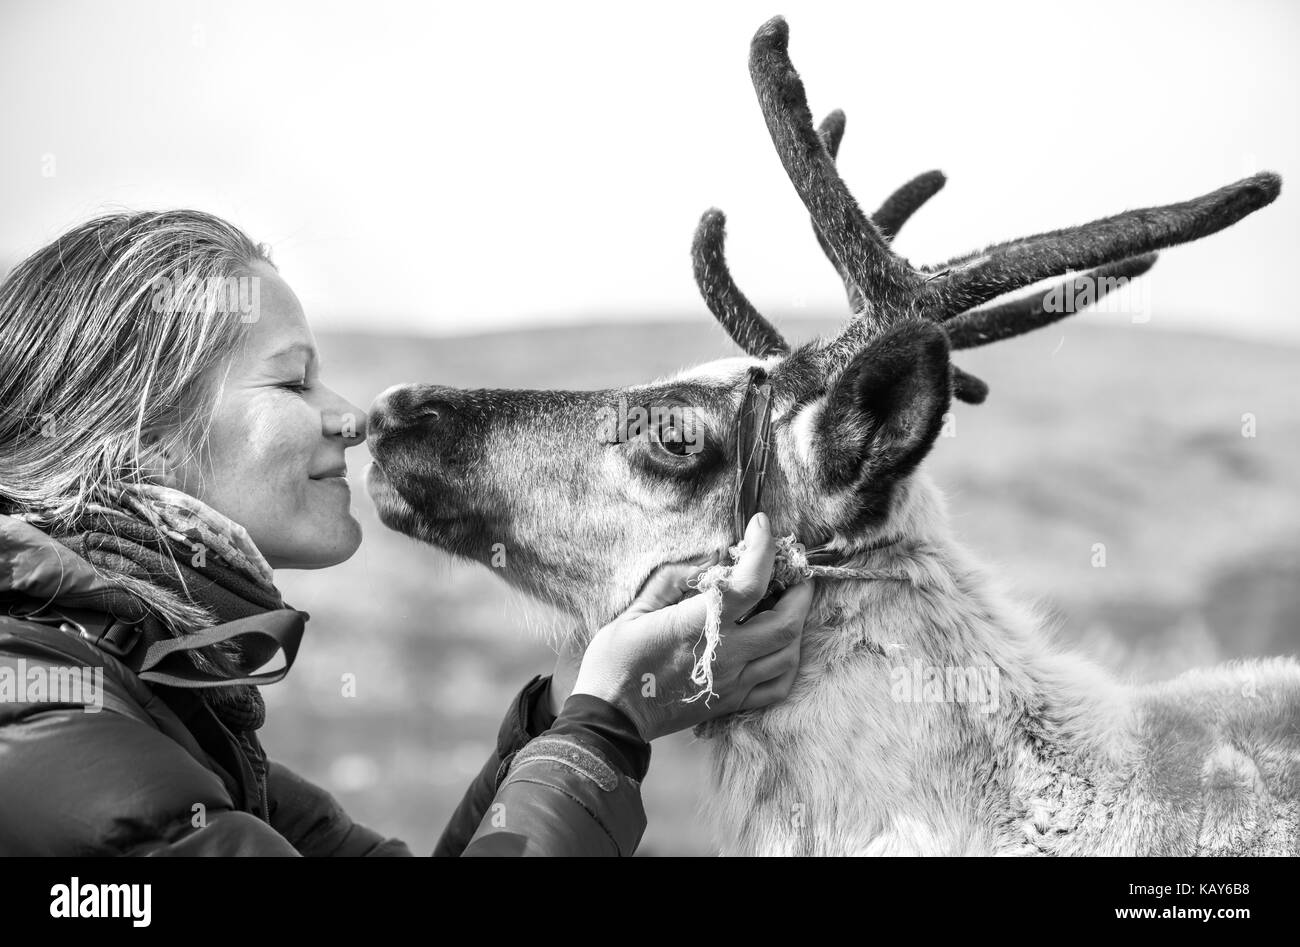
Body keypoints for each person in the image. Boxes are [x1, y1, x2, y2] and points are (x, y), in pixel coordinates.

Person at [0, 210, 813, 856]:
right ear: (142, 436)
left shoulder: (180, 722)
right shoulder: (55, 735)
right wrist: (608, 720)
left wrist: (574, 707)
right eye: (293, 380)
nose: (351, 418)